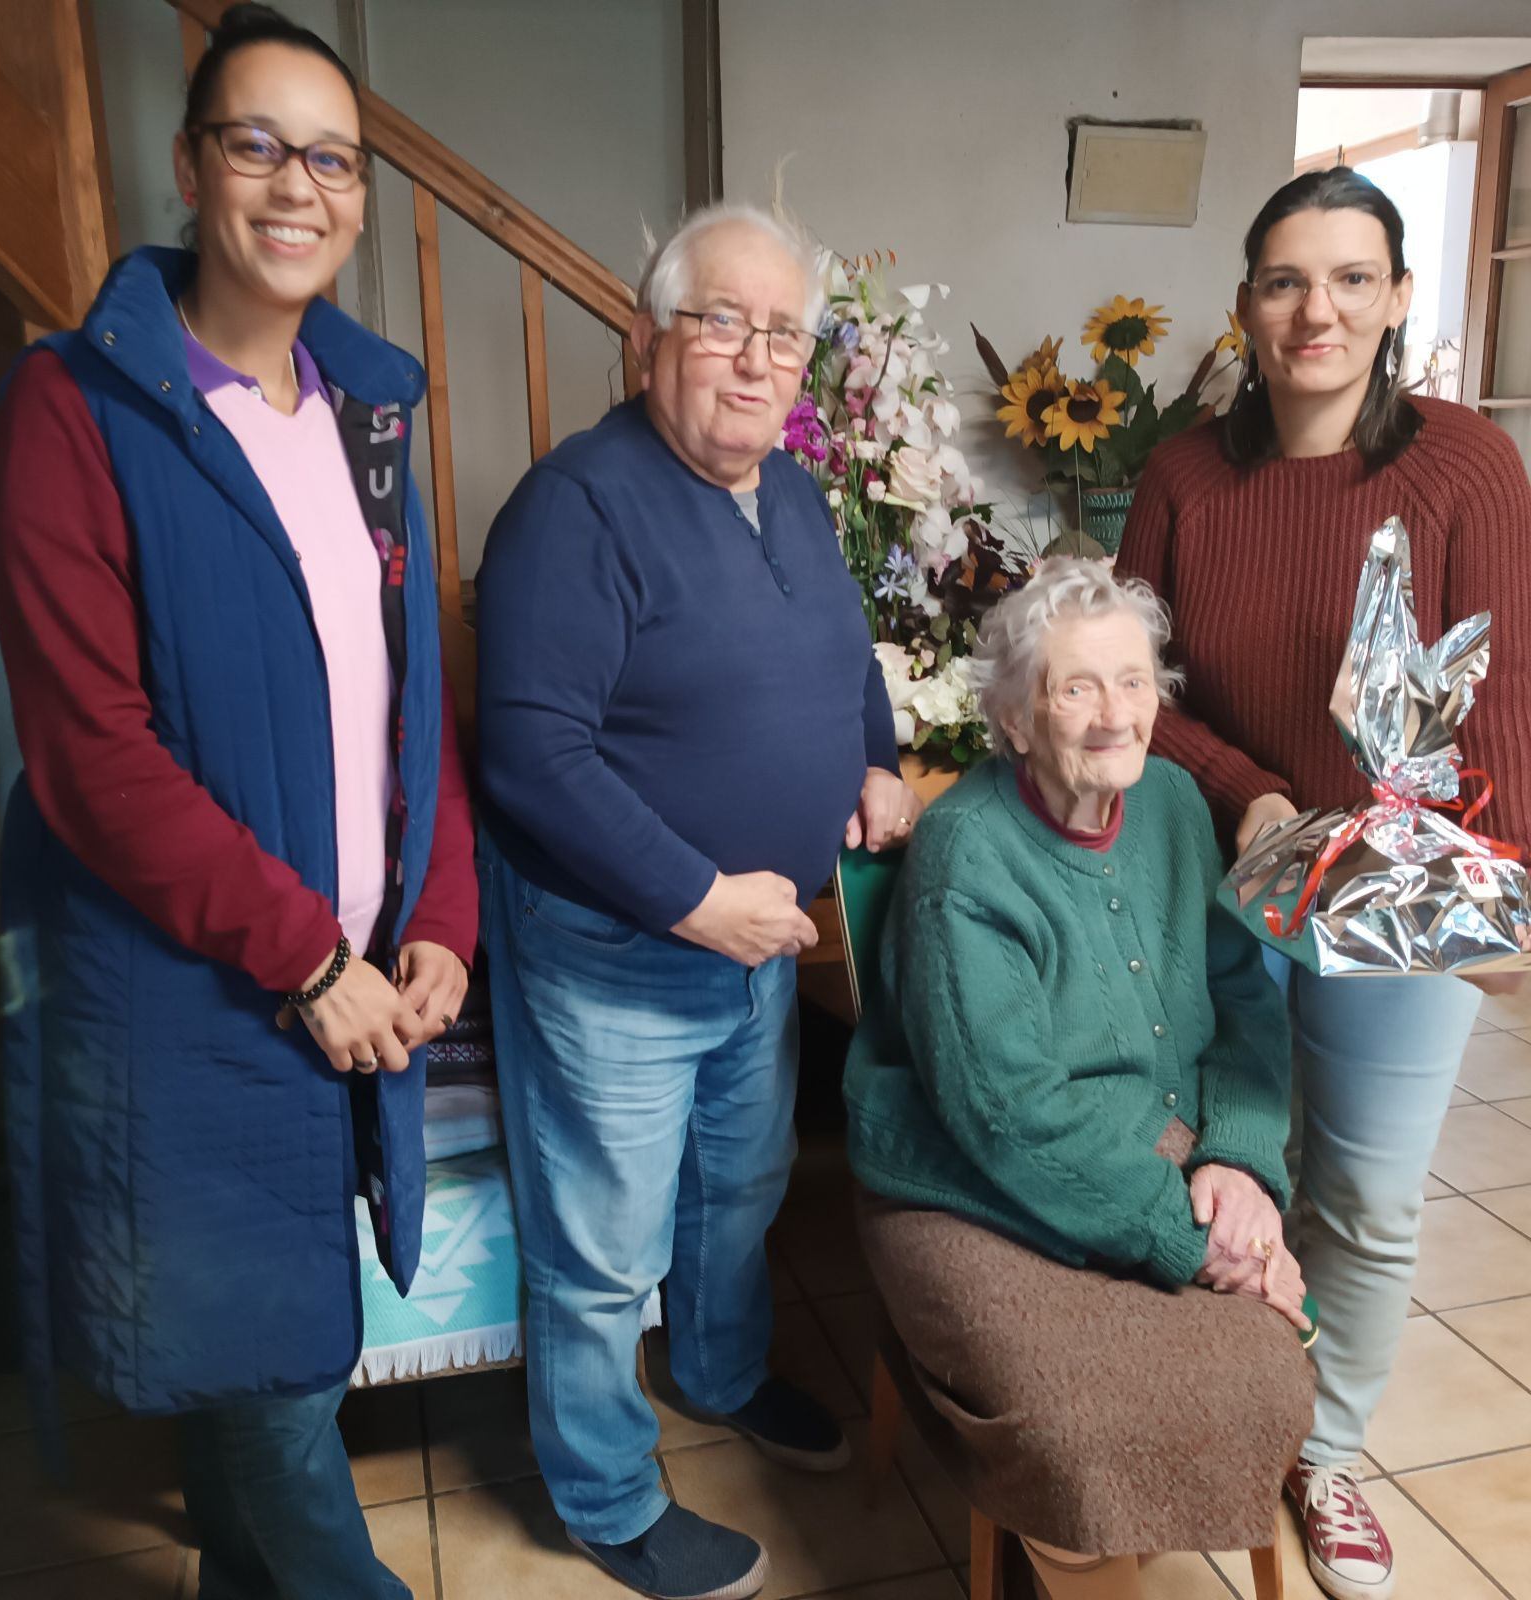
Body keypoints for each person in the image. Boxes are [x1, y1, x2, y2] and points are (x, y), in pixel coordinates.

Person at [0, 8, 476, 1596]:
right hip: (194, 994)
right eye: (255, 143)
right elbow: (91, 757)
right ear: (193, 168)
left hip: (350, 977)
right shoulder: (78, 406)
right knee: (270, 1391)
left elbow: (414, 714)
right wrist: (306, 960)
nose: (294, 185)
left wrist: (440, 924)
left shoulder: (374, 412)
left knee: (256, 1362)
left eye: (329, 157)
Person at [474, 201, 922, 1600]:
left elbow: (845, 655)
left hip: (760, 943)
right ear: (644, 337)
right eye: (718, 319)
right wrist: (691, 898)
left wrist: (881, 760)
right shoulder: (576, 506)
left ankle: (720, 1372)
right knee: (602, 1247)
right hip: (620, 947)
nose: (752, 356)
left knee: (740, 1188)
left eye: (780, 330)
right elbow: (529, 755)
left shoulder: (788, 489)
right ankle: (602, 1496)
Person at [1116, 165, 1531, 1600]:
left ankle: (1329, 1452)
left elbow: (1509, 692)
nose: (1319, 310)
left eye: (1354, 279)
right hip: (1226, 877)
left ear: (1400, 298)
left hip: (1403, 900)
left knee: (1365, 1195)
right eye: (1288, 280)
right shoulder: (1182, 474)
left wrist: (1507, 882)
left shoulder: (1469, 466)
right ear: (1244, 304)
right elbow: (1136, 693)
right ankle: (1224, 1419)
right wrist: (1252, 792)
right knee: (1223, 1167)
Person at [844, 559, 1315, 1597]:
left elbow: (1243, 999)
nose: (1115, 716)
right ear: (1013, 720)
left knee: (1260, 1376)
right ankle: (1081, 1554)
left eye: (1134, 681)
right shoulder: (965, 853)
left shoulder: (1179, 805)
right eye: (1076, 687)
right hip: (962, 1186)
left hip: (1153, 1148)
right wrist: (1202, 1243)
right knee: (1071, 1418)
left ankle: (1092, 1544)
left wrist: (1238, 1162)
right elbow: (1005, 1116)